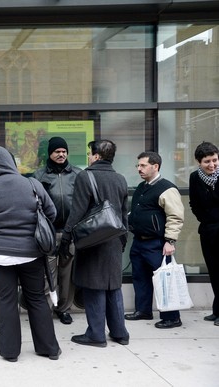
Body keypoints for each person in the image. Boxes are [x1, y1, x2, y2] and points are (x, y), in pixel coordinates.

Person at [0, 145, 60, 362]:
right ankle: (49, 349)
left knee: (6, 301)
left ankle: (10, 352)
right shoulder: (31, 183)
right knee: (36, 298)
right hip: (30, 252)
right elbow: (52, 212)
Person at [62, 140, 129, 347]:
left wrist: (66, 236)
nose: (89, 157)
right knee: (113, 287)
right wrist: (122, 240)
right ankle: (120, 333)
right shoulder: (120, 178)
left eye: (90, 153)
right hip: (115, 239)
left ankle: (96, 334)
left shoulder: (85, 176)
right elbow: (123, 213)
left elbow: (78, 211)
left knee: (94, 286)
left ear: (97, 156)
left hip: (93, 239)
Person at [125, 151, 184, 329]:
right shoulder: (142, 187)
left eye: (143, 165)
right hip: (139, 242)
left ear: (155, 166)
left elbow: (175, 217)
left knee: (164, 280)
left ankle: (172, 317)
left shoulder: (167, 189)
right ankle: (143, 311)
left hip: (157, 243)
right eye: (138, 165)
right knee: (140, 277)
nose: (139, 169)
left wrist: (170, 241)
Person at [33, 136, 81, 325]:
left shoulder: (77, 174)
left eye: (63, 151)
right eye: (57, 152)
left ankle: (64, 308)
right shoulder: (39, 176)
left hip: (70, 232)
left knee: (66, 274)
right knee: (47, 273)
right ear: (50, 154)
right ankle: (45, 308)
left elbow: (82, 203)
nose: (61, 155)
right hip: (48, 232)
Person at [189, 141, 219, 326]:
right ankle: (217, 311)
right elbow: (194, 203)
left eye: (215, 160)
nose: (212, 165)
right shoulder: (195, 177)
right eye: (207, 161)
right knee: (214, 272)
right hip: (208, 230)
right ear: (199, 162)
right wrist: (205, 219)